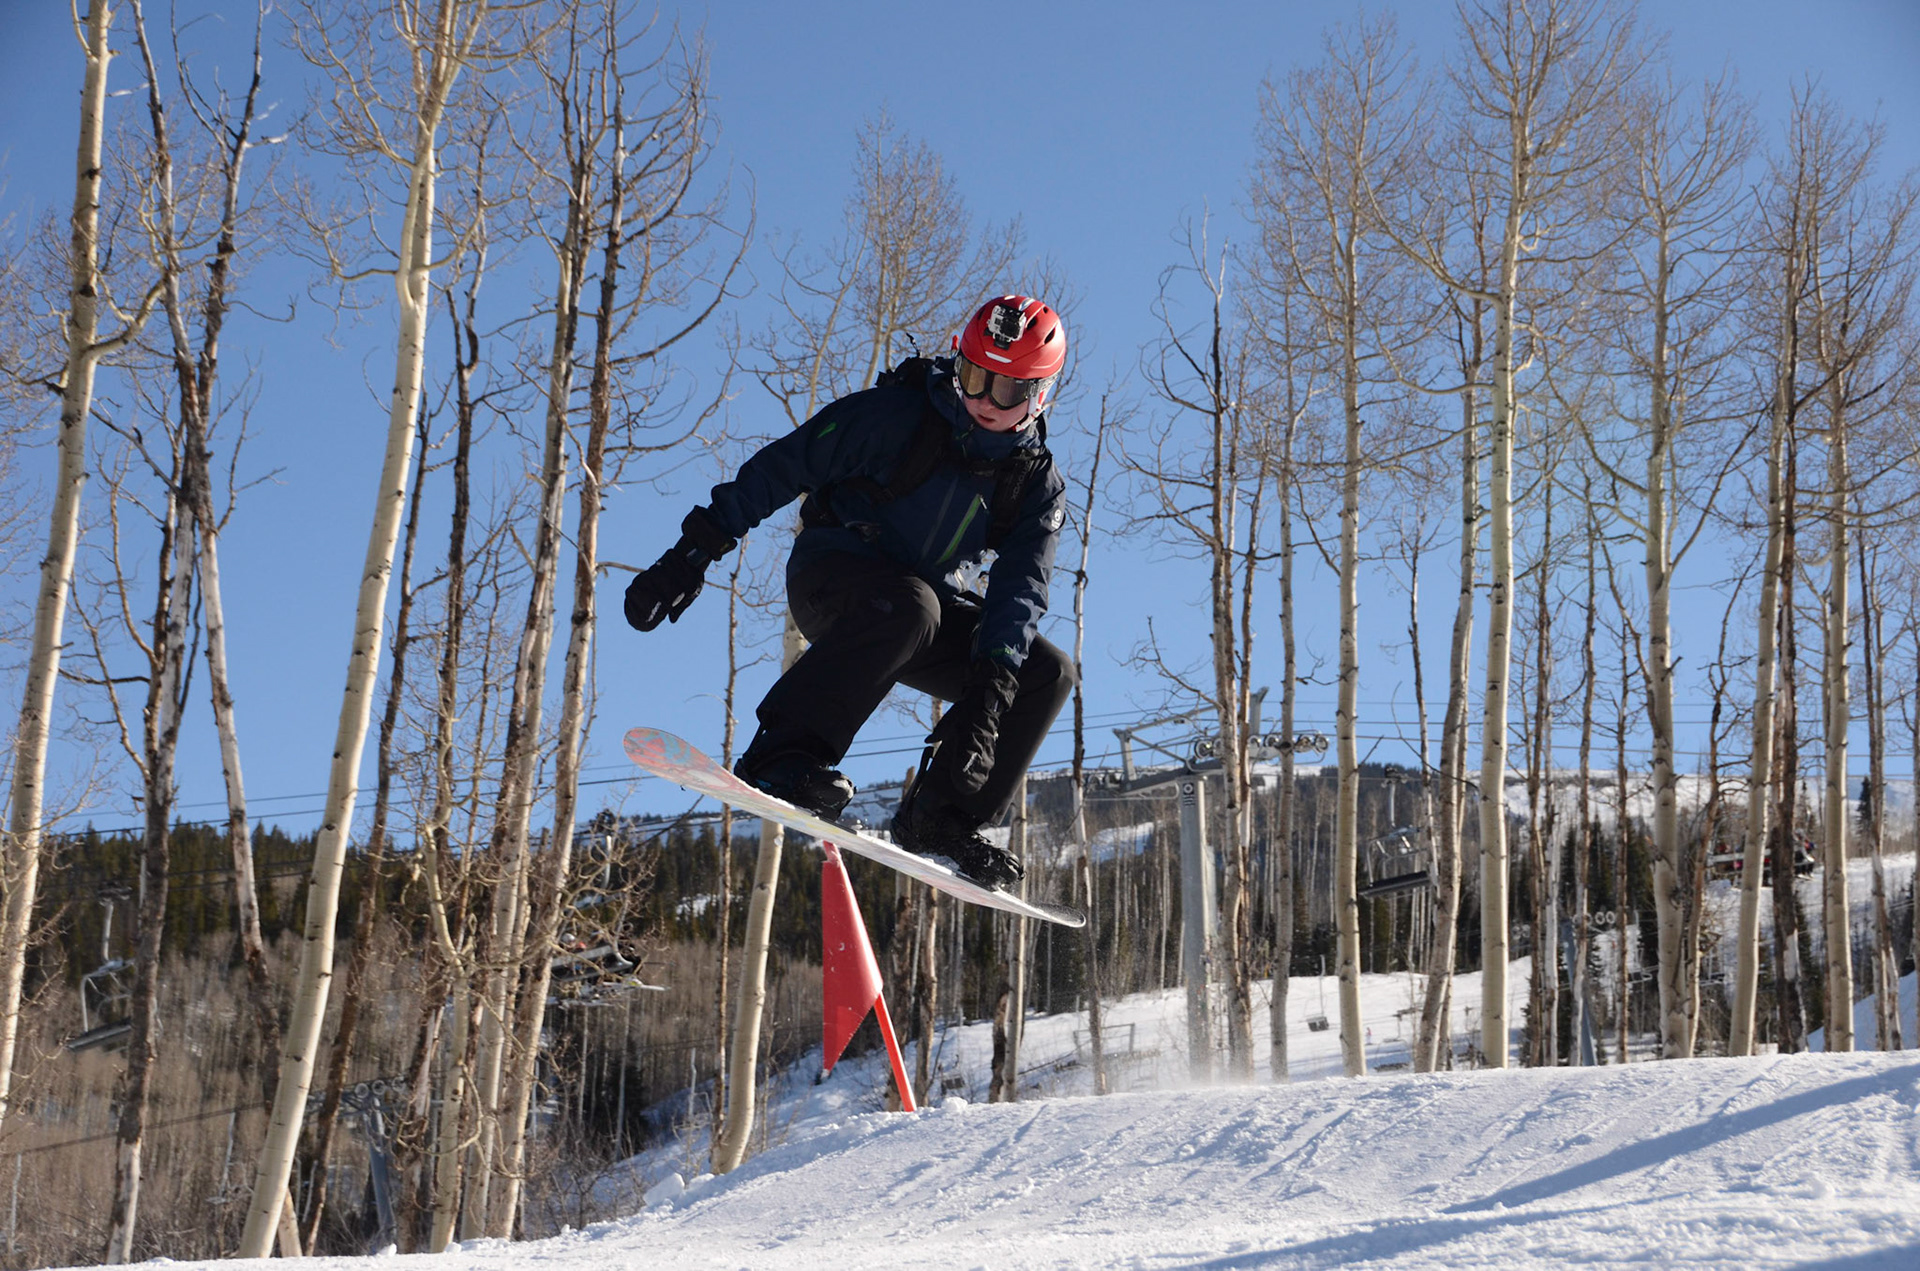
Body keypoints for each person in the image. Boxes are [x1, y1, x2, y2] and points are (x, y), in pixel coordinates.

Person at [623, 294, 1074, 887]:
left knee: (1045, 672)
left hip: (920, 615)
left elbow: (1020, 593)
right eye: (974, 376)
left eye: (1008, 390)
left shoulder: (1034, 486)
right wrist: (692, 552)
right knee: (915, 606)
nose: (985, 400)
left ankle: (943, 817)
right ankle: (783, 756)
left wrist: (988, 701)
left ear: (1039, 394)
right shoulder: (897, 415)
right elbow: (783, 466)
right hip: (834, 576)